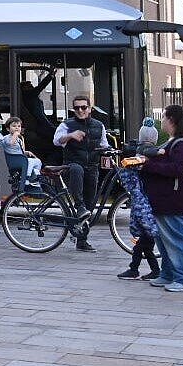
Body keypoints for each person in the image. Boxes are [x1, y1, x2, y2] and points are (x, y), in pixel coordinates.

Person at [138, 105, 183, 293]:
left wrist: (149, 165)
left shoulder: (182, 144)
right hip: (164, 198)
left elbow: (181, 168)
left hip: (173, 198)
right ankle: (168, 274)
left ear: (172, 120)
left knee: (176, 239)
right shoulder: (174, 141)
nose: (161, 121)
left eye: (164, 117)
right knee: (164, 240)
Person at [53, 94, 108, 252]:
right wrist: (70, 136)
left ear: (90, 109)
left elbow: (104, 144)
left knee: (90, 204)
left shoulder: (99, 125)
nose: (80, 110)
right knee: (76, 169)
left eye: (84, 107)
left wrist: (110, 151)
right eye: (77, 108)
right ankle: (79, 205)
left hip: (92, 167)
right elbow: (56, 141)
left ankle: (82, 240)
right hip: (72, 166)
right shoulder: (67, 124)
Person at [114, 117, 162, 281]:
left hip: (143, 207)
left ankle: (141, 270)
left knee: (144, 244)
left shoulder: (137, 160)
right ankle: (140, 269)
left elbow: (131, 184)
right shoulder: (154, 157)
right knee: (145, 245)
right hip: (150, 205)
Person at [0, 116, 41, 189]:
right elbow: (10, 144)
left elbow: (18, 150)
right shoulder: (8, 137)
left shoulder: (19, 139)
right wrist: (15, 135)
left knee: (38, 162)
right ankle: (27, 178)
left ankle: (34, 177)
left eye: (19, 126)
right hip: (15, 160)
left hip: (19, 158)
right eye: (14, 126)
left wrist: (26, 152)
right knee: (30, 162)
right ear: (8, 129)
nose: (17, 128)